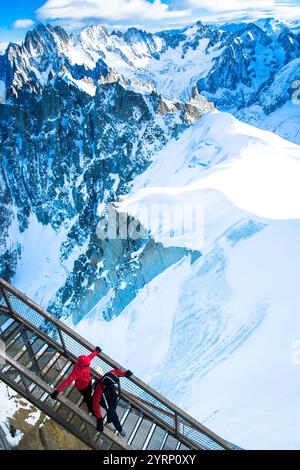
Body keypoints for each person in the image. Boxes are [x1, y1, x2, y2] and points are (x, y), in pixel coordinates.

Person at [50, 346, 101, 413]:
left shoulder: (86, 361)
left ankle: (86, 399)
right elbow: (67, 382)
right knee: (89, 398)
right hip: (82, 387)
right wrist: (57, 391)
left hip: (88, 381)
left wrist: (96, 352)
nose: (88, 365)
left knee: (90, 392)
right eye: (86, 365)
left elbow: (91, 356)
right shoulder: (76, 372)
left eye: (88, 364)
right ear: (82, 364)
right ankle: (93, 411)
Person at [93, 369, 133, 436]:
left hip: (110, 393)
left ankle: (109, 418)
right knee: (112, 412)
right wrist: (99, 418)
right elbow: (95, 404)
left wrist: (124, 374)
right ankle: (120, 429)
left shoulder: (110, 373)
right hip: (104, 400)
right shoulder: (98, 390)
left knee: (114, 404)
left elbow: (116, 372)